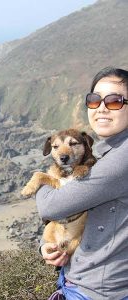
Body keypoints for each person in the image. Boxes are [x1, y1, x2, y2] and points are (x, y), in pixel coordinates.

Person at [36, 67, 128, 300]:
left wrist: (42, 178)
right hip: (78, 281)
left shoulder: (122, 159)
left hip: (98, 292)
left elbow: (51, 206)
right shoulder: (103, 151)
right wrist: (47, 245)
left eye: (115, 101)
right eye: (94, 100)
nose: (102, 108)